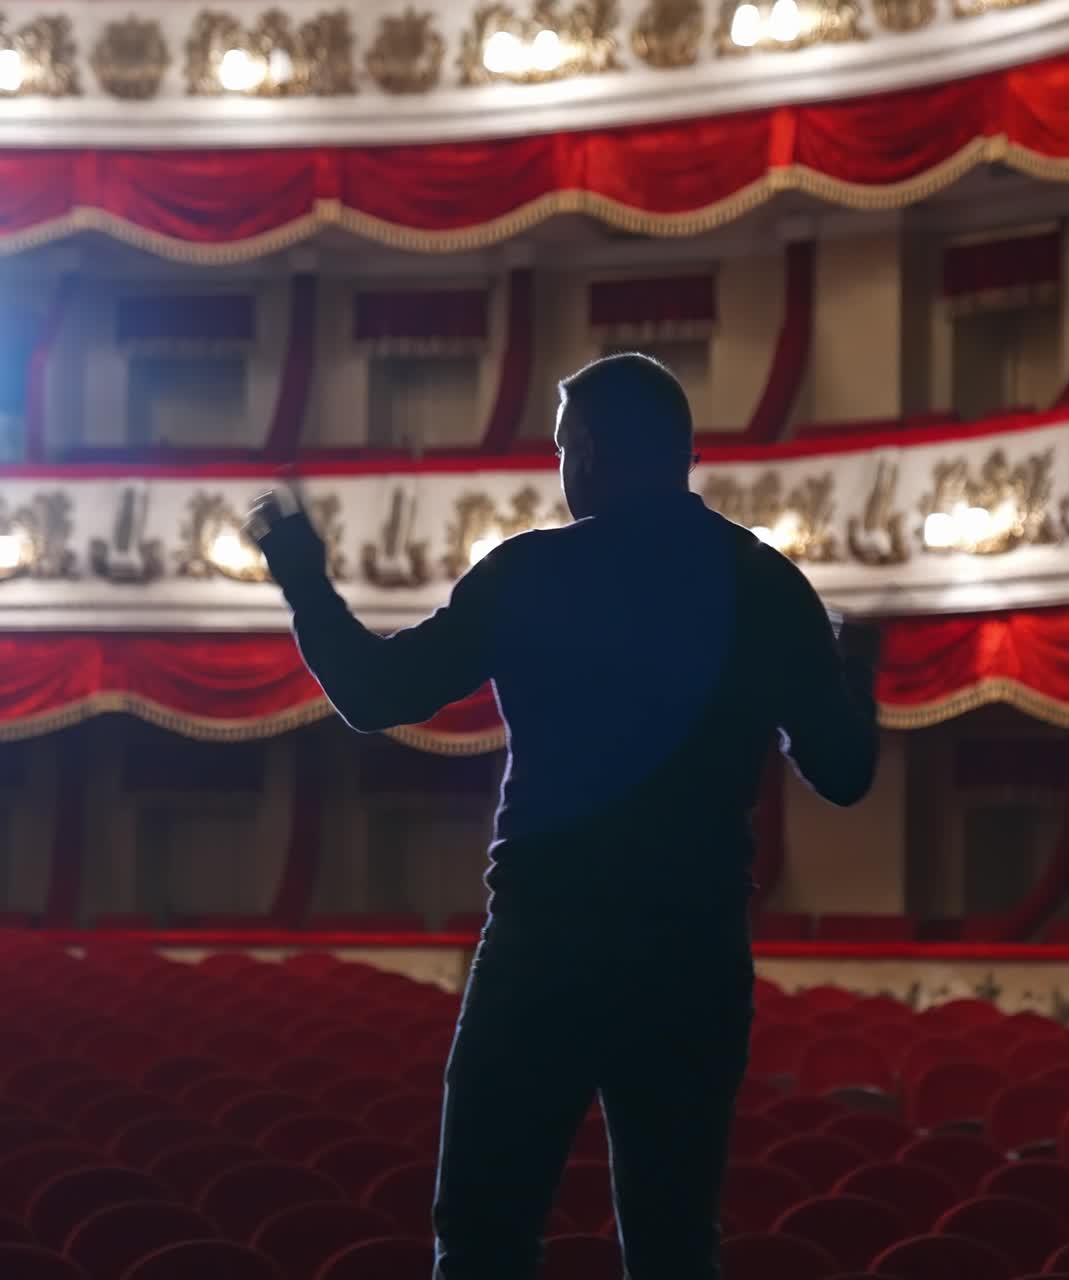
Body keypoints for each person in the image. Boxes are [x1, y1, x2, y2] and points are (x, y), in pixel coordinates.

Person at [247, 352, 880, 1280]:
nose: (560, 466)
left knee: (483, 1241)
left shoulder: (532, 573)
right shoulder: (767, 584)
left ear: (585, 449)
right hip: (693, 957)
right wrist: (855, 672)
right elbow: (843, 771)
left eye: (560, 446)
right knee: (673, 1249)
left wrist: (303, 578)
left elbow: (378, 694)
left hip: (545, 950)